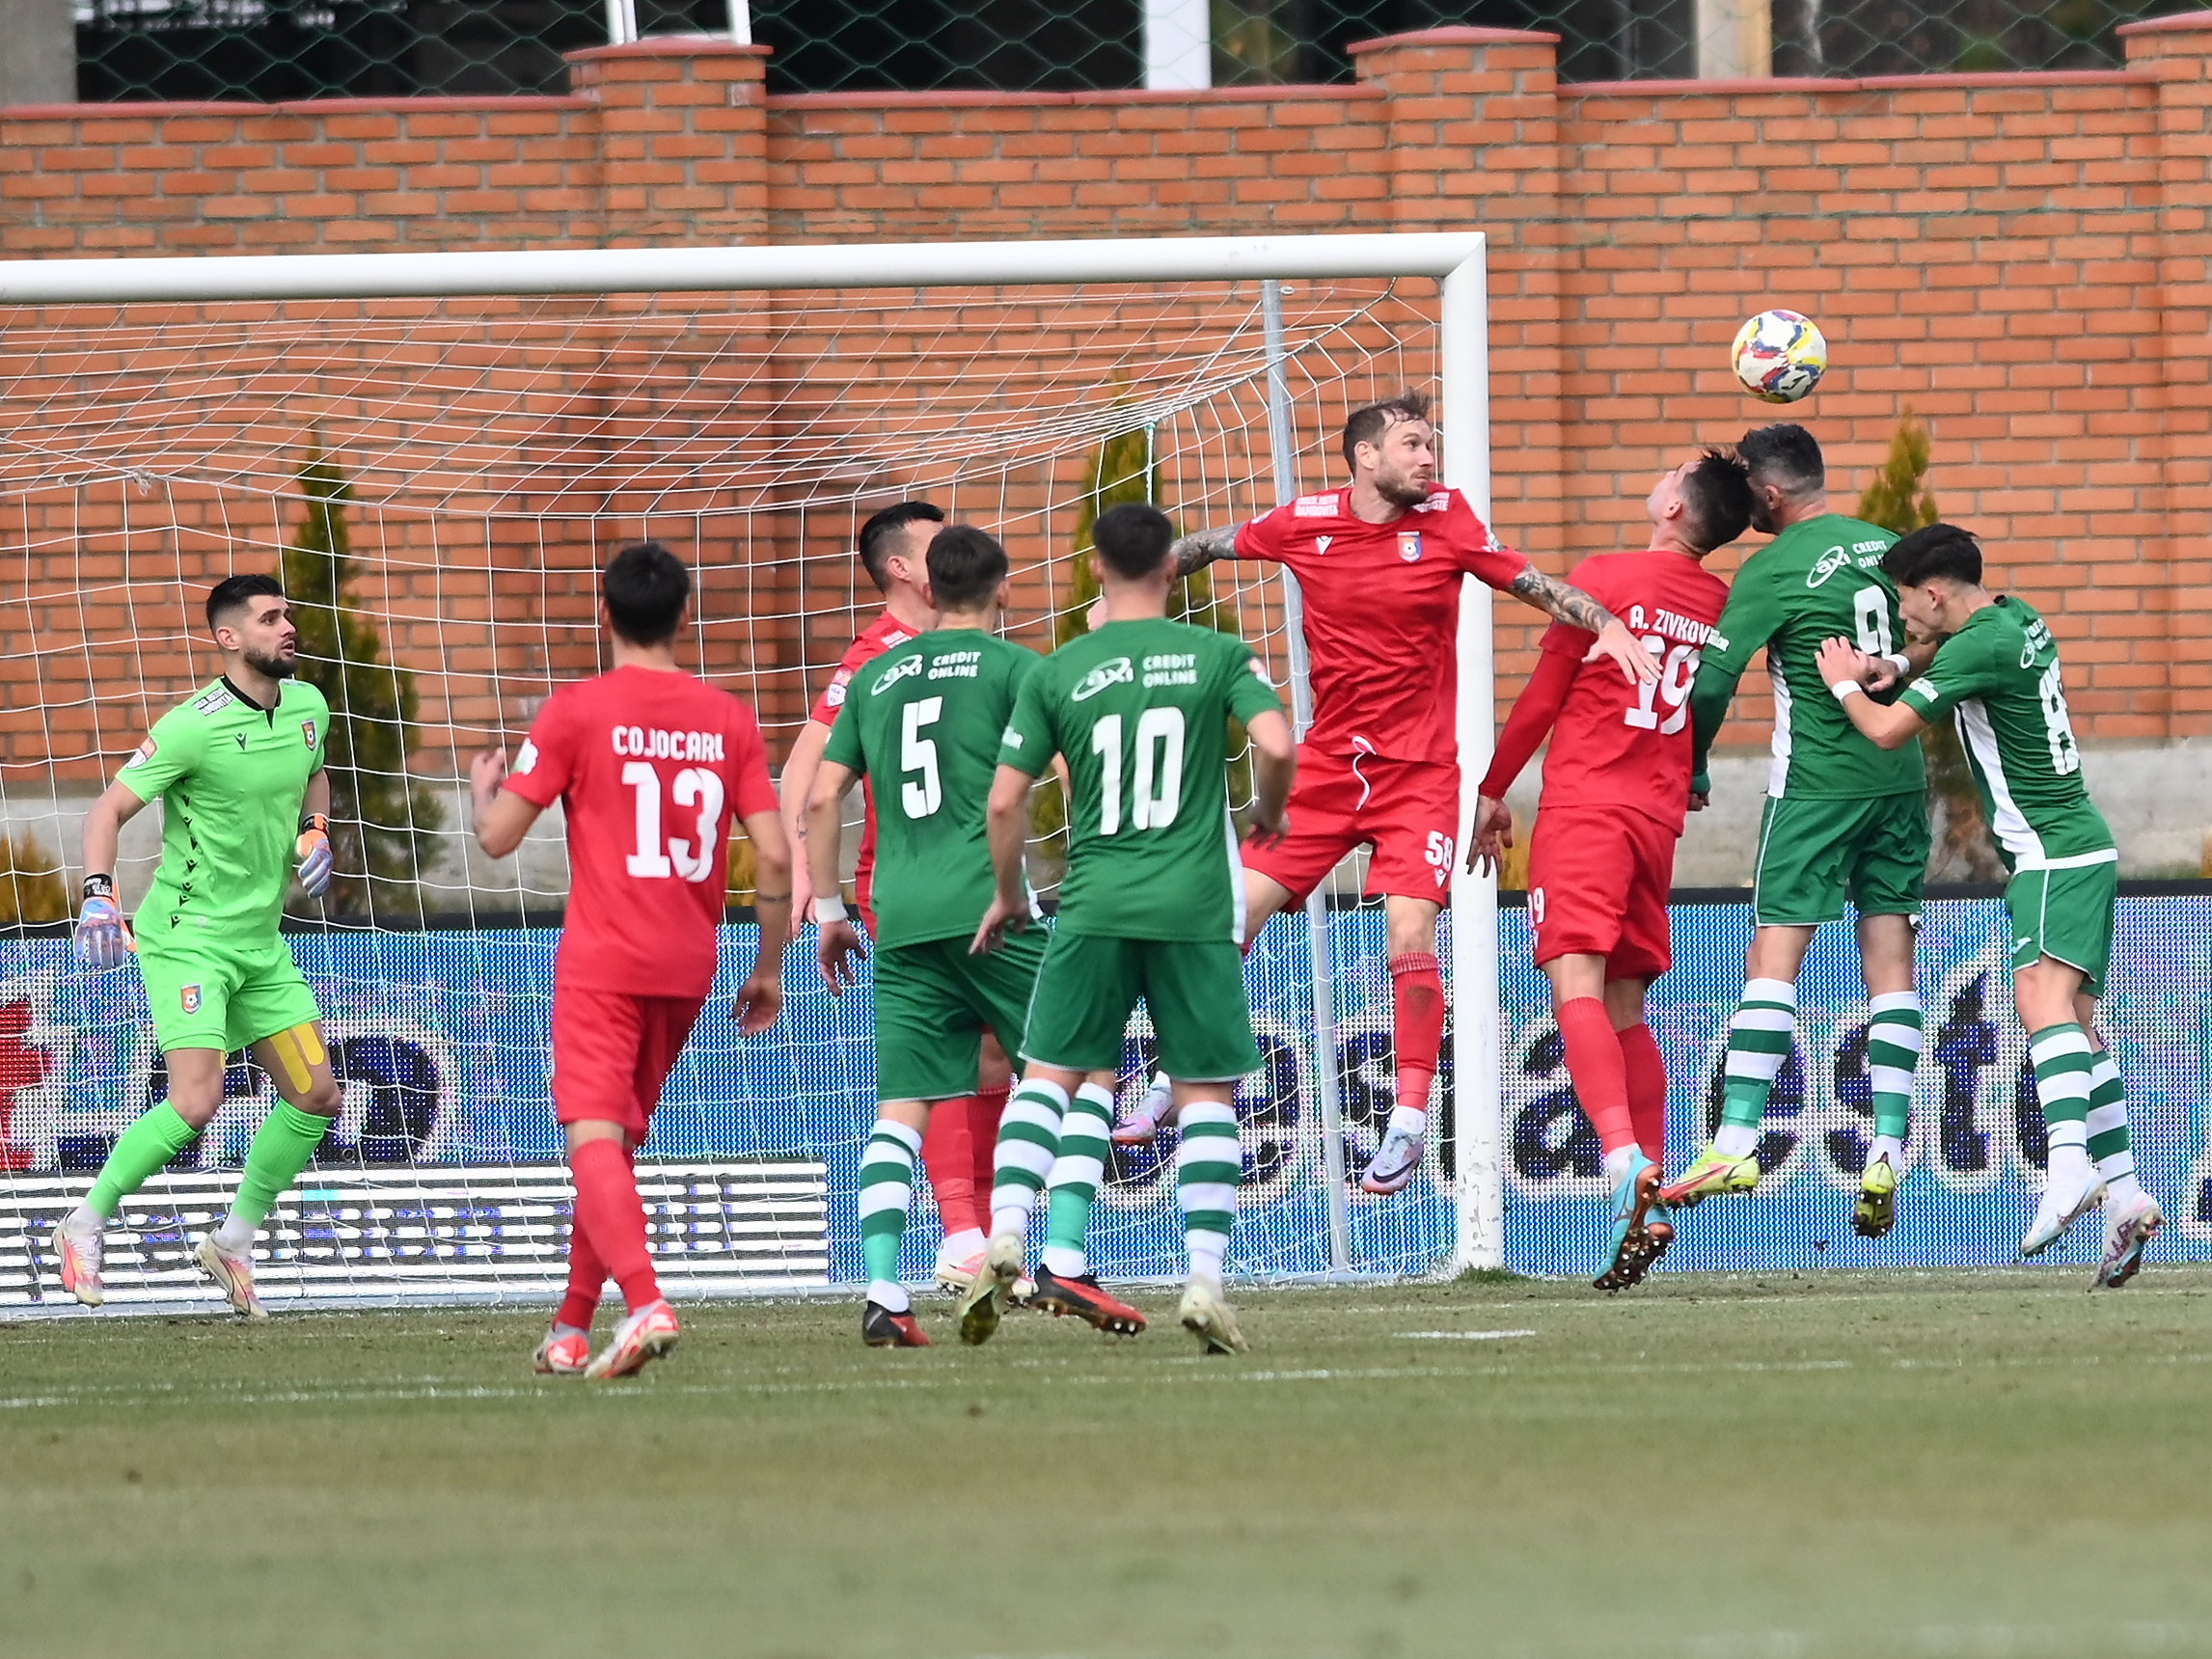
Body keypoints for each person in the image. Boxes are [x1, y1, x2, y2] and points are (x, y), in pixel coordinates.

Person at [1119, 390, 1657, 1195]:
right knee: (1223, 916)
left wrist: (1603, 623)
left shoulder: (1449, 520)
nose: (1429, 458)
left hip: (1418, 777)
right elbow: (1209, 544)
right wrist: (1140, 578)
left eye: (1432, 445)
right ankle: (1178, 1069)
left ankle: (1407, 1116)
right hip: (1327, 769)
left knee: (1409, 932)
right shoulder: (1305, 520)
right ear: (1364, 455)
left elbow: (1531, 581)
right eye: (1413, 444)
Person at [961, 502, 1296, 1355]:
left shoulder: (1057, 670)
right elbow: (1279, 742)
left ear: (1098, 569)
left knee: (1050, 1077)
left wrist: (1006, 893)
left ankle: (1005, 1232)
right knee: (1204, 1094)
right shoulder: (1217, 653)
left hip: (1097, 901)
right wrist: (1267, 811)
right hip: (1190, 909)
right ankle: (1203, 1279)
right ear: (1171, 568)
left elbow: (1004, 800)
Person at [473, 541, 790, 1378]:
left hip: (604, 961)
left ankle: (646, 1302)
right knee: (611, 1146)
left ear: (602, 614)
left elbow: (500, 840)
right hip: (690, 964)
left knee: (591, 1140)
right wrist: (767, 966)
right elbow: (779, 856)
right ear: (684, 617)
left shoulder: (575, 710)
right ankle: (572, 1326)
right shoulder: (729, 718)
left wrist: (481, 794)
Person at [1815, 524, 2161, 1286]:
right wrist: (1897, 661)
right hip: (2074, 845)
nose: (1903, 618)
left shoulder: (1978, 644)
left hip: (2051, 852)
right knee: (2073, 1025)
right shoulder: (2013, 617)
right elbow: (1945, 656)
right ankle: (2127, 1195)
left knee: (2038, 1000)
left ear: (1934, 594)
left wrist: (1842, 677)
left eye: (1906, 607)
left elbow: (1882, 730)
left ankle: (2068, 1168)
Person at [1469, 450, 1753, 1290]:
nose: (1660, 476)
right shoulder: (1713, 597)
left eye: (1668, 472)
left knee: (1576, 986)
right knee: (1626, 1002)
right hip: (1654, 819)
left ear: (1672, 505)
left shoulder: (1605, 576)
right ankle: (1651, 1188)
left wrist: (1490, 791)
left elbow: (1543, 695)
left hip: (1587, 806)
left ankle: (1622, 1159)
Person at [1666, 422, 1928, 1240]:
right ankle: (1887, 1146)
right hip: (1898, 783)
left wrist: (1695, 764)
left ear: (1769, 497)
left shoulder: (1772, 567)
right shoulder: (1889, 546)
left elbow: (1712, 680)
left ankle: (1735, 1141)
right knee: (1888, 964)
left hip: (1814, 791)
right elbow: (1934, 639)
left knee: (1772, 957)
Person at [57, 574, 342, 1318]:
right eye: (269, 618)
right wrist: (97, 894)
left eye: (287, 615)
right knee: (196, 1099)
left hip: (259, 943)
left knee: (315, 1094)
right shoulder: (193, 724)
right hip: (189, 940)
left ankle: (233, 1242)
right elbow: (107, 809)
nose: (287, 627)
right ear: (228, 638)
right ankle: (84, 1224)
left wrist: (316, 829)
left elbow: (315, 778)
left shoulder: (308, 706)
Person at [804, 524, 1056, 1347]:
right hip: (991, 901)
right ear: (1003, 588)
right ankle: (1041, 1250)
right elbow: (1058, 778)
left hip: (899, 910)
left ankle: (884, 1287)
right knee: (1069, 1073)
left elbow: (816, 796)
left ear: (932, 588)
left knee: (901, 1106)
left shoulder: (875, 676)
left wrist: (828, 907)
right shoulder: (1015, 667)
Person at [781, 501, 1010, 1293]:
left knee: (987, 1054)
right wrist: (813, 889)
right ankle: (963, 1230)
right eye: (936, 539)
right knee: (978, 1055)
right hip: (910, 882)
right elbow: (805, 774)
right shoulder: (875, 657)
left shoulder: (959, 642)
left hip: (966, 879)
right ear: (902, 570)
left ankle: (973, 1235)